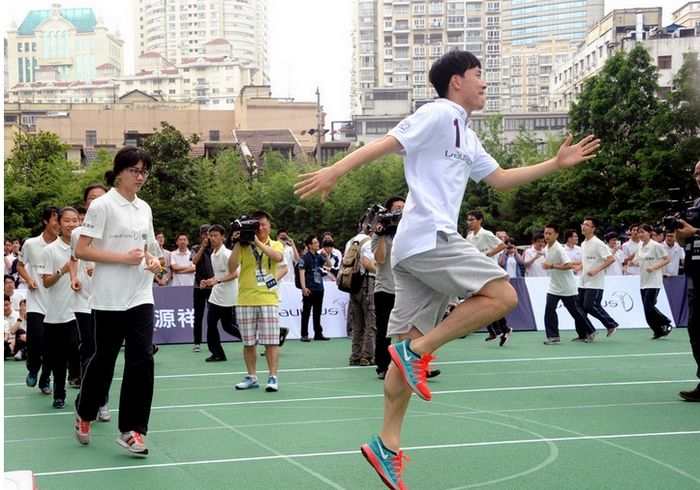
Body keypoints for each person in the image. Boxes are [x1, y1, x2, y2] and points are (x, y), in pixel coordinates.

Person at [294, 49, 599, 489]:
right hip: (429, 236)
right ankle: (418, 354)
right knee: (504, 296)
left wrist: (555, 163)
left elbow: (501, 178)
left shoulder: (467, 135)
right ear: (456, 81)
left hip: (414, 252)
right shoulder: (439, 113)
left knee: (403, 344)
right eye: (479, 75)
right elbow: (387, 143)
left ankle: (387, 443)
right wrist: (335, 171)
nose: (485, 83)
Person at [74, 146, 161, 456]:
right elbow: (82, 249)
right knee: (104, 360)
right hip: (109, 297)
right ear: (119, 171)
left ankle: (132, 430)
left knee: (142, 358)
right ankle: (85, 413)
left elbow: (150, 249)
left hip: (140, 293)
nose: (140, 177)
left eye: (144, 172)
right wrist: (121, 259)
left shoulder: (145, 208)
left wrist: (153, 262)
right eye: (135, 171)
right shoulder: (102, 206)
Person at [228, 211, 286, 392]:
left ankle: (273, 377)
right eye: (257, 225)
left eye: (263, 225)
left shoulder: (275, 244)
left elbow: (278, 258)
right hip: (245, 299)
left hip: (268, 299)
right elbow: (231, 267)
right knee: (248, 342)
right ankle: (252, 376)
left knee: (271, 341)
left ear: (269, 226)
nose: (260, 228)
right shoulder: (243, 246)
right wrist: (237, 243)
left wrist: (257, 242)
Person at [68, 183, 111, 421]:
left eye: (100, 198)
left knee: (104, 354)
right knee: (90, 352)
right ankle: (94, 402)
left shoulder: (116, 229)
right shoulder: (77, 233)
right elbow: (74, 258)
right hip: (85, 301)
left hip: (109, 301)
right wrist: (75, 276)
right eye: (91, 199)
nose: (95, 203)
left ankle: (99, 400)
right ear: (86, 204)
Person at [38, 207, 81, 409]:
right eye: (67, 221)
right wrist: (62, 270)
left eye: (75, 220)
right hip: (56, 314)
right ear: (59, 224)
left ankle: (82, 385)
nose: (71, 224)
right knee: (58, 358)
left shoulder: (85, 247)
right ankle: (59, 393)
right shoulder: (50, 250)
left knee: (76, 350)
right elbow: (46, 282)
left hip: (80, 310)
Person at [17, 205, 60, 394]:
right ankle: (33, 368)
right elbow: (20, 265)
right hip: (36, 302)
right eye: (56, 220)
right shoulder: (31, 244)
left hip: (57, 303)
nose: (59, 225)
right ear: (46, 221)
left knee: (52, 345)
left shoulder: (64, 245)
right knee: (36, 341)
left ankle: (45, 379)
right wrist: (29, 279)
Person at [541, 224, 596, 345]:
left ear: (556, 235)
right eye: (545, 233)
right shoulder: (546, 249)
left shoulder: (559, 249)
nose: (547, 236)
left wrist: (551, 266)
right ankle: (554, 336)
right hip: (554, 286)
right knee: (549, 309)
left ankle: (591, 330)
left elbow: (568, 265)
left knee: (575, 311)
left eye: (550, 233)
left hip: (567, 286)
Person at [674, 159, 700, 402]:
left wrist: (696, 231)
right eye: (696, 173)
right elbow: (684, 242)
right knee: (695, 330)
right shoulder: (694, 206)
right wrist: (680, 233)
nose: (698, 176)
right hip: (695, 273)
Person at [465, 210, 511, 345]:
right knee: (484, 301)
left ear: (480, 220)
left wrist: (487, 254)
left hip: (490, 271)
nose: (470, 222)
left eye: (472, 219)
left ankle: (499, 329)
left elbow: (502, 245)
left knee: (490, 301)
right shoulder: (469, 237)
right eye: (468, 220)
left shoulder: (486, 234)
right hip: (477, 272)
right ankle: (498, 329)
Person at [373, 196, 405, 379]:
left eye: (403, 207)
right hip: (386, 288)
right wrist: (381, 236)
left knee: (411, 328)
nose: (401, 210)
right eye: (397, 208)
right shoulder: (379, 234)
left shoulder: (409, 231)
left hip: (407, 288)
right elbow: (380, 259)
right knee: (384, 330)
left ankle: (415, 364)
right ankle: (383, 366)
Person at [199, 224, 240, 362]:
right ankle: (218, 353)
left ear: (223, 237)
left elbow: (235, 274)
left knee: (222, 325)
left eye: (216, 236)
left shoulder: (227, 253)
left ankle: (250, 339)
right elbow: (218, 275)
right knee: (219, 325)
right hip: (217, 294)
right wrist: (207, 281)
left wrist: (216, 281)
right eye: (210, 236)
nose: (212, 238)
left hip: (227, 296)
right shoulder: (213, 254)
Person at [629, 224, 672, 339]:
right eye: (639, 233)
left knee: (649, 305)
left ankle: (665, 321)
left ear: (650, 233)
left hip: (654, 281)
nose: (640, 235)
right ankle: (658, 330)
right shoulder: (640, 246)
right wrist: (633, 263)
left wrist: (654, 267)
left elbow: (667, 259)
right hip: (643, 281)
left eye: (643, 232)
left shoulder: (656, 245)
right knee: (646, 308)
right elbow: (640, 262)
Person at [579, 217, 618, 340]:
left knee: (589, 306)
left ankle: (610, 324)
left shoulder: (598, 243)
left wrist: (596, 270)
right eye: (583, 224)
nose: (583, 227)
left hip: (595, 282)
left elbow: (611, 259)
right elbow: (585, 262)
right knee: (580, 308)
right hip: (583, 281)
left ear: (593, 228)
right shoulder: (583, 243)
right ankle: (585, 333)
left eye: (586, 225)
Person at [345, 222, 377, 366]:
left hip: (352, 284)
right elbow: (367, 263)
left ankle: (355, 355)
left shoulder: (351, 241)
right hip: (366, 283)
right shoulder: (368, 242)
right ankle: (367, 355)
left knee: (357, 323)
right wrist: (381, 271)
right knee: (370, 321)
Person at [298, 234, 330, 342]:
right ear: (310, 245)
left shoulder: (318, 256)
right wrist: (303, 287)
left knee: (318, 312)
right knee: (306, 312)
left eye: (317, 242)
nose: (318, 244)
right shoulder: (304, 258)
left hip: (319, 288)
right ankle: (304, 334)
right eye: (315, 243)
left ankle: (318, 333)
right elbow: (301, 272)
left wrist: (326, 256)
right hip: (309, 288)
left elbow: (328, 265)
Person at [191, 225, 215, 353]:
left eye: (209, 234)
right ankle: (197, 342)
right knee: (198, 315)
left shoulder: (216, 248)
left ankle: (212, 342)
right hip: (198, 285)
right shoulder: (195, 248)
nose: (207, 237)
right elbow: (194, 261)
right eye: (204, 234)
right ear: (201, 235)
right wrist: (203, 247)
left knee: (212, 316)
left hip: (213, 285)